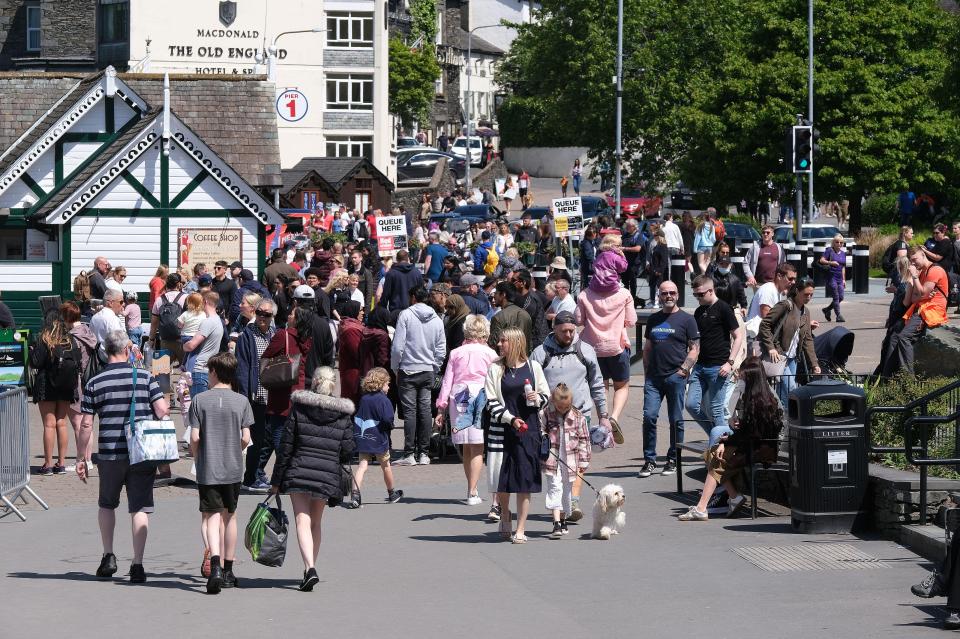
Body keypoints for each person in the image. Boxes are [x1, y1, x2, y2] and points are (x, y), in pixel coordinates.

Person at [77, 329, 168, 584]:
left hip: (109, 453)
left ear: (107, 351)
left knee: (107, 504)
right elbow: (162, 410)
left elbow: (86, 425)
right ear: (128, 350)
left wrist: (81, 458)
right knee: (139, 507)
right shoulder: (145, 377)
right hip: (141, 453)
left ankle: (108, 555)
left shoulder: (95, 381)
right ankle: (138, 564)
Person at [270, 367, 355, 592]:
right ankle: (310, 566)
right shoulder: (343, 414)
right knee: (316, 523)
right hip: (326, 474)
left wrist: (276, 480)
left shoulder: (300, 408)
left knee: (302, 520)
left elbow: (286, 446)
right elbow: (348, 450)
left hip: (299, 470)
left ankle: (309, 568)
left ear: (314, 382)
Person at [678, 357, 783, 521]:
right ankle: (730, 498)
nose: (739, 378)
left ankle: (705, 506)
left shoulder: (760, 402)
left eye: (742, 377)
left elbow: (751, 435)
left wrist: (725, 442)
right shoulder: (755, 397)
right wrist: (733, 428)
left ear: (751, 378)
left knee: (716, 456)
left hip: (760, 450)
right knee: (712, 454)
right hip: (752, 445)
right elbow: (748, 430)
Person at [530, 311, 609, 522]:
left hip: (580, 415)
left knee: (579, 461)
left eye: (572, 331)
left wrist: (604, 415)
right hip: (550, 418)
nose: (568, 334)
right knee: (554, 463)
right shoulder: (540, 353)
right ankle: (560, 501)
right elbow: (531, 384)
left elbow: (597, 384)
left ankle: (573, 499)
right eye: (564, 331)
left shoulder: (585, 350)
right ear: (553, 329)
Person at [188, 352, 252, 594]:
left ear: (214, 372)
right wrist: (236, 449)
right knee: (230, 516)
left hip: (209, 466)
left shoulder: (200, 400)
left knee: (212, 516)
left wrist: (197, 455)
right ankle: (228, 569)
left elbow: (195, 437)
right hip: (233, 468)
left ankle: (213, 563)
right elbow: (246, 437)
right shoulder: (242, 401)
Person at [484, 327, 549, 543]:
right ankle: (505, 513)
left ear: (516, 343)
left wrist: (537, 397)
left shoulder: (534, 367)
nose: (499, 344)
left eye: (504, 341)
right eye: (499, 341)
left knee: (524, 480)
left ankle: (521, 528)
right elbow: (490, 401)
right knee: (501, 479)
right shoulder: (495, 369)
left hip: (528, 430)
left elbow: (546, 396)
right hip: (503, 430)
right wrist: (510, 418)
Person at [639, 280, 700, 478]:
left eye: (672, 292)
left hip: (676, 377)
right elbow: (647, 348)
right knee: (649, 417)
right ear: (659, 295)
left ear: (677, 295)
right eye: (664, 293)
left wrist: (684, 370)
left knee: (676, 420)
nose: (668, 296)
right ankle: (649, 460)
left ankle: (673, 459)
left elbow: (694, 348)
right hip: (654, 379)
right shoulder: (654, 319)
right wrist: (647, 373)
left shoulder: (687, 319)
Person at [436, 315, 499, 505]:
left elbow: (447, 381)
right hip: (480, 395)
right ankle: (473, 491)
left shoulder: (456, 353)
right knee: (478, 445)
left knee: (465, 445)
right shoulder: (491, 354)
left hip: (459, 396)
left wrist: (441, 407)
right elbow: (496, 379)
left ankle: (471, 488)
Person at [576, 249, 636, 439]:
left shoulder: (585, 294)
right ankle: (614, 417)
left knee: (601, 386)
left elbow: (578, 320)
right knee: (622, 386)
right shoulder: (624, 294)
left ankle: (603, 416)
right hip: (616, 347)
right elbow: (632, 320)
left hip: (592, 349)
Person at [685, 275, 745, 447]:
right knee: (691, 405)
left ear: (711, 291)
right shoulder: (699, 311)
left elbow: (738, 336)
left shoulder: (724, 308)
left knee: (716, 408)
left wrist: (730, 362)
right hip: (700, 366)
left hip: (719, 367)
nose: (697, 298)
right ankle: (717, 433)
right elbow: (695, 341)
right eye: (695, 294)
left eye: (700, 294)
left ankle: (722, 446)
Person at [391, 286, 446, 466]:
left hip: (407, 369)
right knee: (423, 411)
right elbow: (441, 348)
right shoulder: (437, 319)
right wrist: (435, 366)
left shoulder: (405, 315)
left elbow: (398, 346)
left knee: (410, 412)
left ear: (413, 297)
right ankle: (423, 452)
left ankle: (409, 453)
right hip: (427, 369)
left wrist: (395, 367)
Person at [881, 246, 950, 376]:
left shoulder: (935, 270)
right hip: (919, 307)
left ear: (923, 255)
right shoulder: (921, 272)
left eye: (914, 260)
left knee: (903, 337)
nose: (912, 264)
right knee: (894, 335)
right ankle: (887, 376)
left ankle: (908, 378)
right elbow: (914, 297)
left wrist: (914, 278)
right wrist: (920, 291)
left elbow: (922, 293)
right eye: (911, 261)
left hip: (931, 310)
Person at [29, 313, 80, 475]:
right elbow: (78, 360)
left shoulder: (44, 339)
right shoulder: (69, 340)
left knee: (49, 424)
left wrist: (31, 351)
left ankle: (48, 464)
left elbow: (36, 362)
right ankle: (62, 464)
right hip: (66, 385)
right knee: (61, 423)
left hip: (47, 384)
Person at [758, 278, 822, 408]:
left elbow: (807, 339)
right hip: (779, 355)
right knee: (792, 389)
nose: (808, 297)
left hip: (792, 358)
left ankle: (784, 419)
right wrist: (771, 348)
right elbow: (765, 324)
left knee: (784, 392)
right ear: (797, 291)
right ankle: (789, 418)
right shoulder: (785, 306)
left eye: (811, 295)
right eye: (806, 294)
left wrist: (814, 363)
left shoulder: (806, 312)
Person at [235, 299, 277, 492]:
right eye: (260, 312)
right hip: (255, 396)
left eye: (267, 314)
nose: (262, 317)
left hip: (272, 396)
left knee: (268, 439)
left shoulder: (275, 335)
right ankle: (250, 477)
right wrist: (243, 396)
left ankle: (257, 472)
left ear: (272, 317)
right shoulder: (247, 336)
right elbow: (242, 368)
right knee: (255, 438)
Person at [541, 382, 590, 538]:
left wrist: (583, 462)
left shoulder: (578, 416)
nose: (562, 410)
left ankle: (562, 520)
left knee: (566, 491)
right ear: (553, 402)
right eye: (560, 407)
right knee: (555, 487)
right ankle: (556, 523)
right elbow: (540, 430)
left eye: (566, 407)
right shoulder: (546, 413)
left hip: (571, 460)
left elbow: (584, 439)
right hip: (552, 458)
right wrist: (543, 438)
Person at [352, 367, 403, 507]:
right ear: (381, 384)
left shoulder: (364, 399)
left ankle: (355, 494)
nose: (388, 387)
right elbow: (387, 419)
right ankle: (391, 492)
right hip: (379, 437)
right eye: (387, 384)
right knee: (386, 465)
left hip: (364, 437)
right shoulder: (384, 400)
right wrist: (390, 426)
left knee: (362, 466)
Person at [182, 291, 224, 399]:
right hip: (208, 370)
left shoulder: (208, 322)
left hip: (200, 370)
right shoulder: (218, 320)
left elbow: (191, 345)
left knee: (198, 409)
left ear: (205, 302)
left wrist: (183, 345)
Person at [488, 281, 533, 351]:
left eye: (496, 293)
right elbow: (529, 344)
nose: (494, 296)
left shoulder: (498, 317)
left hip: (505, 359)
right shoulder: (526, 315)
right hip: (523, 359)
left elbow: (493, 345)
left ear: (503, 294)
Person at [379, 249, 423, 315]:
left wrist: (382, 309)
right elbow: (421, 293)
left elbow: (386, 294)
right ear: (408, 258)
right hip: (413, 311)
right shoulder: (416, 273)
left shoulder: (391, 273)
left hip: (396, 311)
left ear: (396, 259)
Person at [337, 301, 365, 405]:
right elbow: (356, 352)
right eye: (360, 310)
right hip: (352, 372)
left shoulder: (352, 326)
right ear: (353, 311)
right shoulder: (351, 329)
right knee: (351, 403)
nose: (362, 313)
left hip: (353, 371)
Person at [709, 245, 748, 311]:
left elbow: (740, 292)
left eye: (726, 264)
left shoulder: (735, 279)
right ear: (718, 264)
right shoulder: (711, 277)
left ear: (730, 265)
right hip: (714, 308)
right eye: (722, 264)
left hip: (730, 308)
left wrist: (743, 306)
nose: (724, 266)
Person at [90, 289, 126, 357]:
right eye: (121, 302)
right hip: (112, 360)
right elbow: (120, 343)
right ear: (110, 303)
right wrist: (131, 344)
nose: (123, 304)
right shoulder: (113, 319)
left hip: (97, 359)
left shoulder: (94, 318)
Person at [177, 292, 206, 374]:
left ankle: (183, 365)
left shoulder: (185, 314)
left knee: (187, 351)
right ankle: (189, 371)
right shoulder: (203, 314)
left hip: (185, 336)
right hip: (196, 337)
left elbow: (179, 325)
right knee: (194, 354)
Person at [820, 234, 847, 323]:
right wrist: (831, 262)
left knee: (841, 297)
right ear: (833, 243)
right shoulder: (829, 251)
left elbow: (843, 267)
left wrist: (843, 280)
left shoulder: (843, 254)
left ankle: (827, 309)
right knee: (836, 296)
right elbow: (821, 260)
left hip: (839, 278)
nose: (839, 244)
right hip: (831, 276)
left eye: (841, 242)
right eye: (837, 242)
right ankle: (838, 315)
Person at [620, 218, 644, 305]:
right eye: (626, 226)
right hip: (623, 263)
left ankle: (633, 300)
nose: (626, 227)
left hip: (634, 264)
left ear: (634, 227)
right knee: (624, 282)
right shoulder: (625, 235)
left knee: (633, 282)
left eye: (628, 226)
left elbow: (638, 248)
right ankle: (625, 299)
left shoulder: (638, 236)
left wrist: (625, 249)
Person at [647, 231, 670, 309]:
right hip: (654, 269)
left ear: (660, 236)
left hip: (659, 270)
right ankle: (653, 301)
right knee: (653, 285)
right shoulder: (657, 246)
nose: (654, 237)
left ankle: (658, 302)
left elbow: (664, 260)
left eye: (655, 235)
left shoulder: (663, 246)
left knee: (658, 287)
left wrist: (660, 270)